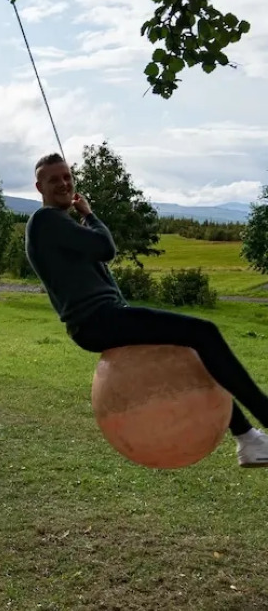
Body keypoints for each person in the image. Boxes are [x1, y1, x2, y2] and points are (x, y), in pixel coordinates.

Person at [26, 152, 268, 467]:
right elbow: (106, 248)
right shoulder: (45, 220)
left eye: (67, 176)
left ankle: (249, 440)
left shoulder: (58, 224)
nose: (64, 183)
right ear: (38, 186)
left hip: (102, 319)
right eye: (54, 179)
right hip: (96, 321)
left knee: (193, 350)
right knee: (203, 332)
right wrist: (90, 215)